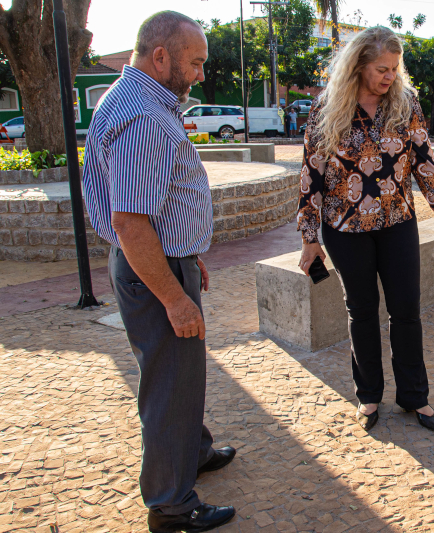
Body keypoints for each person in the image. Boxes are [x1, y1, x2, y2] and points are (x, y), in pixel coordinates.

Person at [82, 11, 236, 533]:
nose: (199, 74)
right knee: (170, 382)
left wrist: (189, 258)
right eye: (194, 63)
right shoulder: (143, 117)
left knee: (181, 373)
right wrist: (173, 294)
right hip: (153, 268)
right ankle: (171, 505)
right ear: (161, 56)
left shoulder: (135, 98)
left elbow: (157, 203)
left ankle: (192, 451)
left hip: (166, 260)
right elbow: (131, 220)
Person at [296, 26, 434, 433]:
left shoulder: (405, 103)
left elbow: (425, 165)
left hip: (397, 223)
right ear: (359, 64)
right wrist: (309, 239)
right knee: (361, 312)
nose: (389, 77)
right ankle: (368, 396)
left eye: (395, 69)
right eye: (382, 68)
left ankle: (415, 397)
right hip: (344, 229)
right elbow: (311, 176)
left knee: (406, 312)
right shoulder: (326, 108)